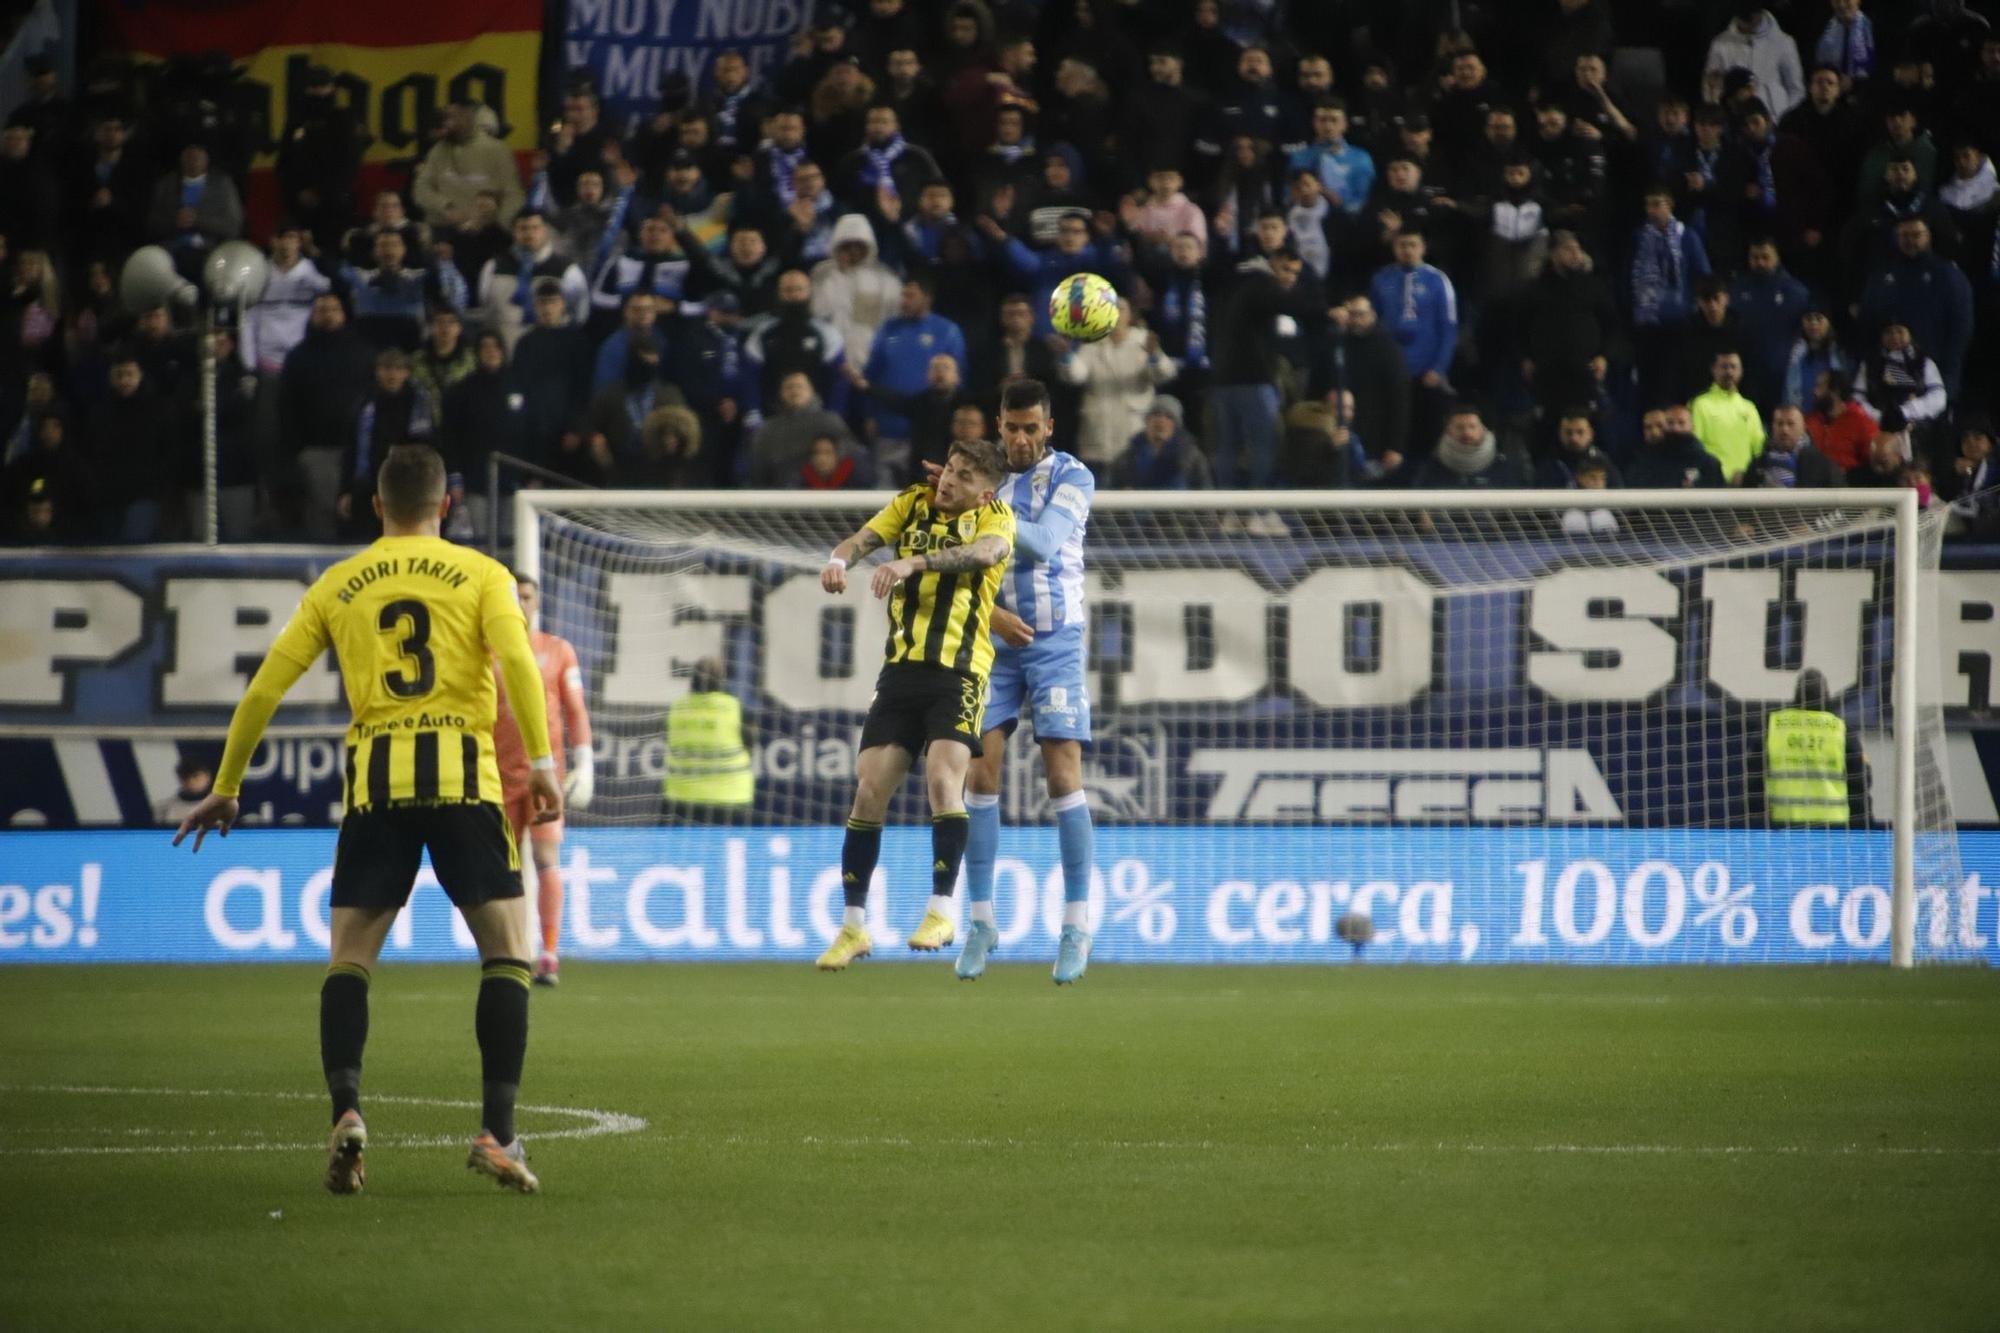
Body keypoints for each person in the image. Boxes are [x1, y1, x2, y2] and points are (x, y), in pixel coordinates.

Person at [174, 444, 560, 1196]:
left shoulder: (339, 582)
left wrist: (227, 783)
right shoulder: (484, 574)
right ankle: (497, 1130)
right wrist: (542, 761)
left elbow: (262, 690)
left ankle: (347, 1111)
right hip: (463, 783)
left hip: (375, 790)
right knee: (508, 952)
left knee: (349, 958)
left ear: (376, 506)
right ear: (445, 505)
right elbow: (516, 660)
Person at [922, 381, 1102, 983]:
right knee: (980, 771)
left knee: (1061, 774)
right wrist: (954, 501)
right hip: (990, 640)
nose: (1020, 439)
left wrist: (975, 507)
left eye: (1032, 428)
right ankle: (980, 921)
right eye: (1011, 428)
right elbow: (947, 550)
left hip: (1053, 640)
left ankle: (1076, 925)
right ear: (997, 424)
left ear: (1049, 427)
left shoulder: (1074, 478)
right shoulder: (980, 477)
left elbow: (1044, 545)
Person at [814, 438, 1015, 971]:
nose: (950, 480)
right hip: (901, 670)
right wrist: (838, 559)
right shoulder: (913, 502)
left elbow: (986, 556)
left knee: (944, 779)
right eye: (950, 468)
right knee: (868, 790)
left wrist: (913, 564)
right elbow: (863, 538)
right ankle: (854, 927)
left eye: (965, 476)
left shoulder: (998, 521)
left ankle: (942, 910)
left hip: (959, 671)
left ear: (985, 492)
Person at [490, 572, 594, 986]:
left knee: (547, 859)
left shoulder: (557, 650)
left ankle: (549, 953)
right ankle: (512, 949)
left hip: (545, 775)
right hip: (495, 776)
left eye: (527, 596)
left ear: (537, 602)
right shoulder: (487, 649)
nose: (520, 603)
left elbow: (576, 709)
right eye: (513, 596)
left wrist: (585, 762)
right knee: (504, 866)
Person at [1755, 668, 1869, 826]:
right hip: (1832, 823)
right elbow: (1862, 779)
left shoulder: (1774, 726)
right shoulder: (1839, 729)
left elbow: (1753, 776)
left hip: (1784, 821)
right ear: (1826, 695)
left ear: (1796, 695)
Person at [662, 656, 755, 822]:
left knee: (682, 848)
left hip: (682, 798)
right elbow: (751, 743)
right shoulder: (734, 708)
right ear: (721, 680)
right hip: (730, 798)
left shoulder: (677, 708)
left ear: (692, 680)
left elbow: (668, 740)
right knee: (732, 847)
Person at [1690, 350, 1766, 483]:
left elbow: (1759, 448)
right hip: (1713, 483)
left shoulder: (1749, 408)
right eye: (1724, 367)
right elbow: (1695, 446)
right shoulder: (1700, 405)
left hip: (1744, 484)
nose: (1729, 372)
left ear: (1741, 371)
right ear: (1713, 370)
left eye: (1733, 367)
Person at [152, 757, 214, 826]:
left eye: (195, 776)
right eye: (185, 777)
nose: (190, 781)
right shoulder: (164, 808)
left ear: (208, 776)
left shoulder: (222, 805)